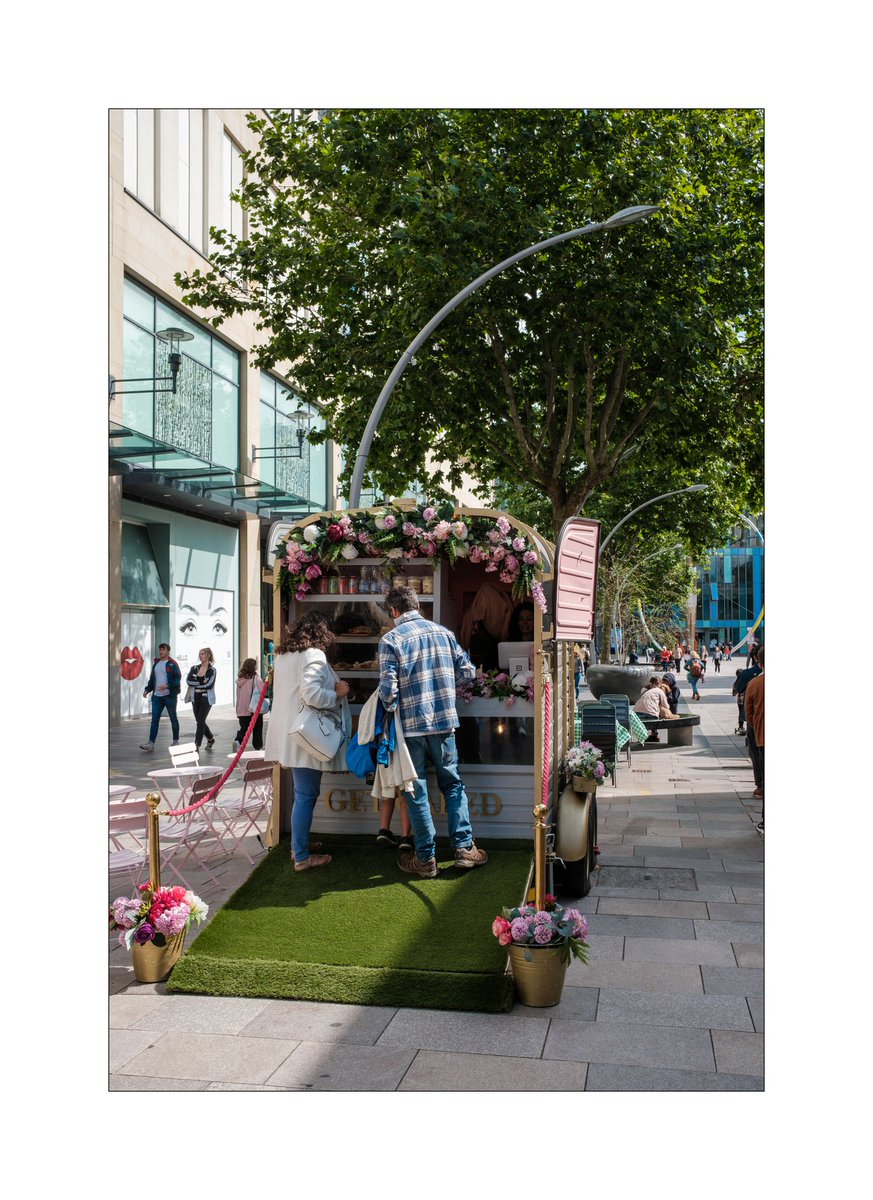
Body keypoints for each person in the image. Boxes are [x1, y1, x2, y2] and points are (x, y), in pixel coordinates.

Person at [378, 584, 485, 878]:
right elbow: (468, 672)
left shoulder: (390, 640)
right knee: (452, 785)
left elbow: (388, 692)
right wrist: (445, 689)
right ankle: (464, 849)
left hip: (410, 729)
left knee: (417, 791)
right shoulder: (444, 633)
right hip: (444, 724)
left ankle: (426, 859)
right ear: (418, 606)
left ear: (394, 610)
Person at [264, 613, 350, 871]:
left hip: (291, 734)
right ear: (321, 633)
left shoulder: (283, 656)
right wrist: (337, 693)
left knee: (303, 794)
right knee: (305, 794)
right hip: (307, 736)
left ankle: (299, 844)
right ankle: (301, 856)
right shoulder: (313, 654)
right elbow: (312, 694)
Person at [140, 642, 182, 751]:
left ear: (168, 651)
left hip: (169, 696)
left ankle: (176, 741)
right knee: (154, 720)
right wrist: (147, 690)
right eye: (160, 649)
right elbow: (152, 680)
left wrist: (167, 686)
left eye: (163, 649)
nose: (161, 651)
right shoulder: (156, 664)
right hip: (157, 697)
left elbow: (177, 679)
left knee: (173, 718)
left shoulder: (172, 664)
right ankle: (151, 743)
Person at [743, 646, 765, 829]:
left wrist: (756, 725)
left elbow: (747, 712)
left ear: (759, 661)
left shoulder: (755, 683)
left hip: (763, 735)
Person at [186, 646, 217, 752]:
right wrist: (200, 682)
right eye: (199, 653)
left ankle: (197, 745)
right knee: (200, 721)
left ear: (208, 655)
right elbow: (189, 681)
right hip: (195, 697)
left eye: (202, 653)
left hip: (206, 698)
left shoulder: (212, 670)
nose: (200, 655)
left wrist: (197, 684)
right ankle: (211, 738)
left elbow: (209, 684)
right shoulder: (194, 668)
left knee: (200, 722)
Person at [235, 657, 267, 752]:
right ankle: (257, 747)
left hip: (242, 709)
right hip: (254, 708)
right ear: (253, 667)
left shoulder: (240, 679)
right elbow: (262, 692)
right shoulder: (256, 678)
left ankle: (238, 741)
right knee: (257, 729)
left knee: (244, 729)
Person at [634, 676, 677, 741]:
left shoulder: (644, 689)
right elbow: (666, 706)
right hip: (650, 713)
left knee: (651, 711)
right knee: (654, 713)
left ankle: (644, 736)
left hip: (636, 712)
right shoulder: (659, 691)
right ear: (660, 684)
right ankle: (654, 734)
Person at [732, 656, 762, 735]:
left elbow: (735, 690)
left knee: (743, 713)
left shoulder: (746, 675)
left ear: (755, 658)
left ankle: (741, 727)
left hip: (742, 700)